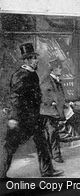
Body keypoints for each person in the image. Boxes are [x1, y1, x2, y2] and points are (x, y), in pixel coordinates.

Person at [1, 43, 63, 178]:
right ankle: (1, 174)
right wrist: (13, 118)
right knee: (10, 146)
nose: (36, 60)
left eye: (36, 58)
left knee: (43, 143)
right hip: (21, 119)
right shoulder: (21, 75)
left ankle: (47, 171)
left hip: (34, 118)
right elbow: (15, 98)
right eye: (34, 58)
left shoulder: (32, 74)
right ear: (28, 59)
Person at [39, 59, 67, 164]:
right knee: (52, 133)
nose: (61, 70)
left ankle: (53, 154)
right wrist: (54, 102)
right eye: (59, 68)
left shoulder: (56, 79)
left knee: (53, 133)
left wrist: (64, 103)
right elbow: (45, 96)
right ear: (54, 69)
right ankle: (55, 155)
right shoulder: (47, 80)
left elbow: (59, 95)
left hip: (54, 110)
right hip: (49, 111)